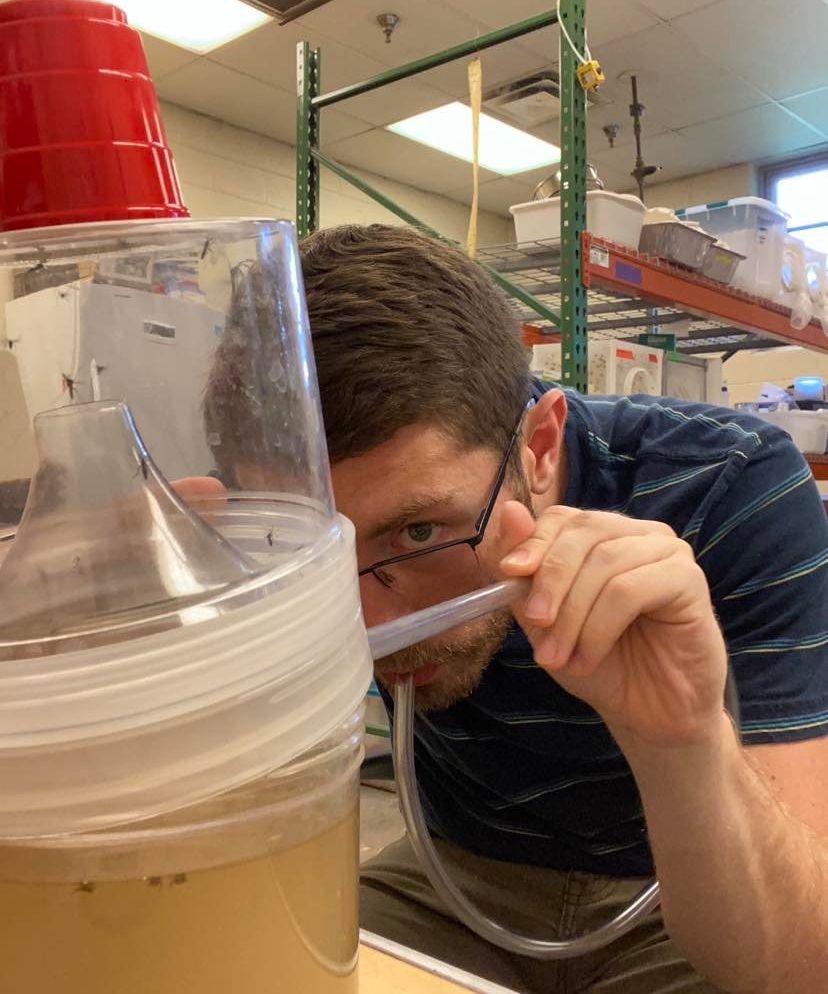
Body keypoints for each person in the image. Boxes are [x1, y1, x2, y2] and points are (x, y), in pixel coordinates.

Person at [212, 223, 828, 994]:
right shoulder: (263, 529)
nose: (364, 623)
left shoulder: (733, 486)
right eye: (314, 544)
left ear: (538, 447)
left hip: (673, 878)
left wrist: (683, 742)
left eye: (418, 530)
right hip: (455, 872)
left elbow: (804, 962)